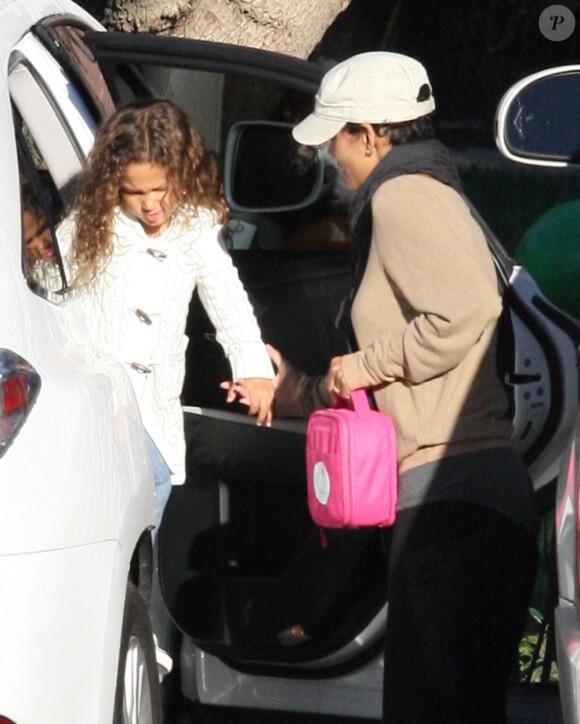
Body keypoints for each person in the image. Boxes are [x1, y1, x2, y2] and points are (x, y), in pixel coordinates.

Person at [267, 52, 538, 722]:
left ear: (372, 133)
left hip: (451, 505)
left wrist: (364, 364)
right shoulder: (432, 190)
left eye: (338, 135)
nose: (332, 154)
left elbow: (472, 305)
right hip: (469, 502)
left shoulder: (401, 196)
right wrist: (301, 387)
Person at [56, 98, 275, 535]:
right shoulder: (91, 225)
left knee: (152, 492)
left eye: (162, 189)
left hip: (154, 403)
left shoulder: (194, 227)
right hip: (99, 395)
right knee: (132, 492)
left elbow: (226, 297)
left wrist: (255, 370)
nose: (151, 205)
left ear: (182, 175)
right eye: (135, 193)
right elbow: (52, 289)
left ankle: (134, 589)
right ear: (114, 186)